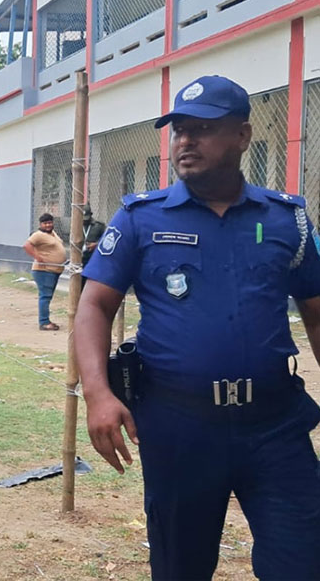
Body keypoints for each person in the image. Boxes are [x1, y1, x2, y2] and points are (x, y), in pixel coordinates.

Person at [76, 75, 320, 580]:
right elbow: (93, 306)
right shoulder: (139, 218)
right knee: (180, 568)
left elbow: (316, 310)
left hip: (275, 425)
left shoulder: (286, 220)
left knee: (302, 561)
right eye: (179, 129)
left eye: (203, 128)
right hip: (179, 427)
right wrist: (98, 394)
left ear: (242, 136)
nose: (185, 141)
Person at [23, 213, 66, 330]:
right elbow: (27, 246)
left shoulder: (53, 234)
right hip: (44, 270)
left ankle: (45, 320)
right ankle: (44, 322)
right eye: (45, 223)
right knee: (45, 296)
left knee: (48, 296)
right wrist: (38, 257)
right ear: (40, 224)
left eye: (50, 222)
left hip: (54, 270)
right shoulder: (38, 235)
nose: (48, 225)